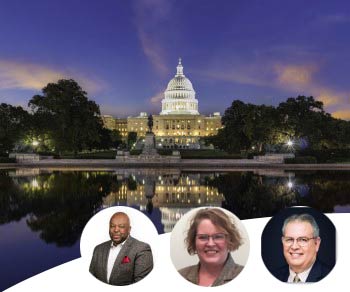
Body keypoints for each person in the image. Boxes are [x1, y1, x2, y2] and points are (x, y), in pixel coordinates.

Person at [178, 208, 244, 287]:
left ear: (230, 240)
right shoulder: (181, 275)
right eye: (203, 237)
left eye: (218, 237)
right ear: (194, 241)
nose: (210, 244)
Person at [89, 212, 153, 285]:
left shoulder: (141, 249)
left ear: (129, 229)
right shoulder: (98, 249)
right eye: (112, 226)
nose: (116, 230)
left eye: (121, 226)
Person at [273, 213, 332, 283]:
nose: (294, 247)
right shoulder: (272, 276)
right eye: (289, 239)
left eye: (303, 240)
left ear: (316, 244)